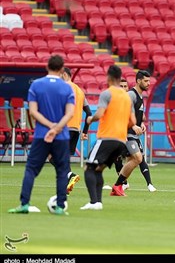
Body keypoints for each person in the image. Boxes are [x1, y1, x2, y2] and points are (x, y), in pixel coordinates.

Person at [8, 55, 75, 215]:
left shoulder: (37, 85)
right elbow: (70, 113)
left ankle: (24, 204)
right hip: (61, 136)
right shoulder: (67, 88)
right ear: (61, 69)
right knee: (62, 170)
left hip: (41, 135)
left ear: (47, 67)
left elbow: (33, 111)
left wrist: (49, 126)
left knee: (31, 168)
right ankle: (60, 206)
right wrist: (57, 127)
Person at [80, 65, 135, 210]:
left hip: (107, 137)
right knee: (98, 169)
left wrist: (90, 119)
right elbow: (133, 122)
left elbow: (99, 114)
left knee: (88, 168)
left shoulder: (107, 93)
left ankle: (93, 202)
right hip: (122, 141)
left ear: (109, 78)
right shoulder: (128, 97)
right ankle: (98, 202)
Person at [110, 70, 156, 196]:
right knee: (137, 158)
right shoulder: (131, 94)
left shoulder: (140, 97)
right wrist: (133, 125)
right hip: (125, 133)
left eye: (149, 81)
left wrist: (140, 123)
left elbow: (134, 115)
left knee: (133, 160)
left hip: (131, 133)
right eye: (146, 81)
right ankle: (118, 185)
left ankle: (119, 186)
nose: (148, 84)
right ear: (138, 81)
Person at [47, 67, 92, 195]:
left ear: (65, 75)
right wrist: (85, 132)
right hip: (75, 130)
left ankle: (70, 175)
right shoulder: (80, 91)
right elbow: (88, 113)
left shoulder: (63, 88)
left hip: (64, 128)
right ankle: (67, 183)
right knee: (64, 158)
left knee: (50, 155)